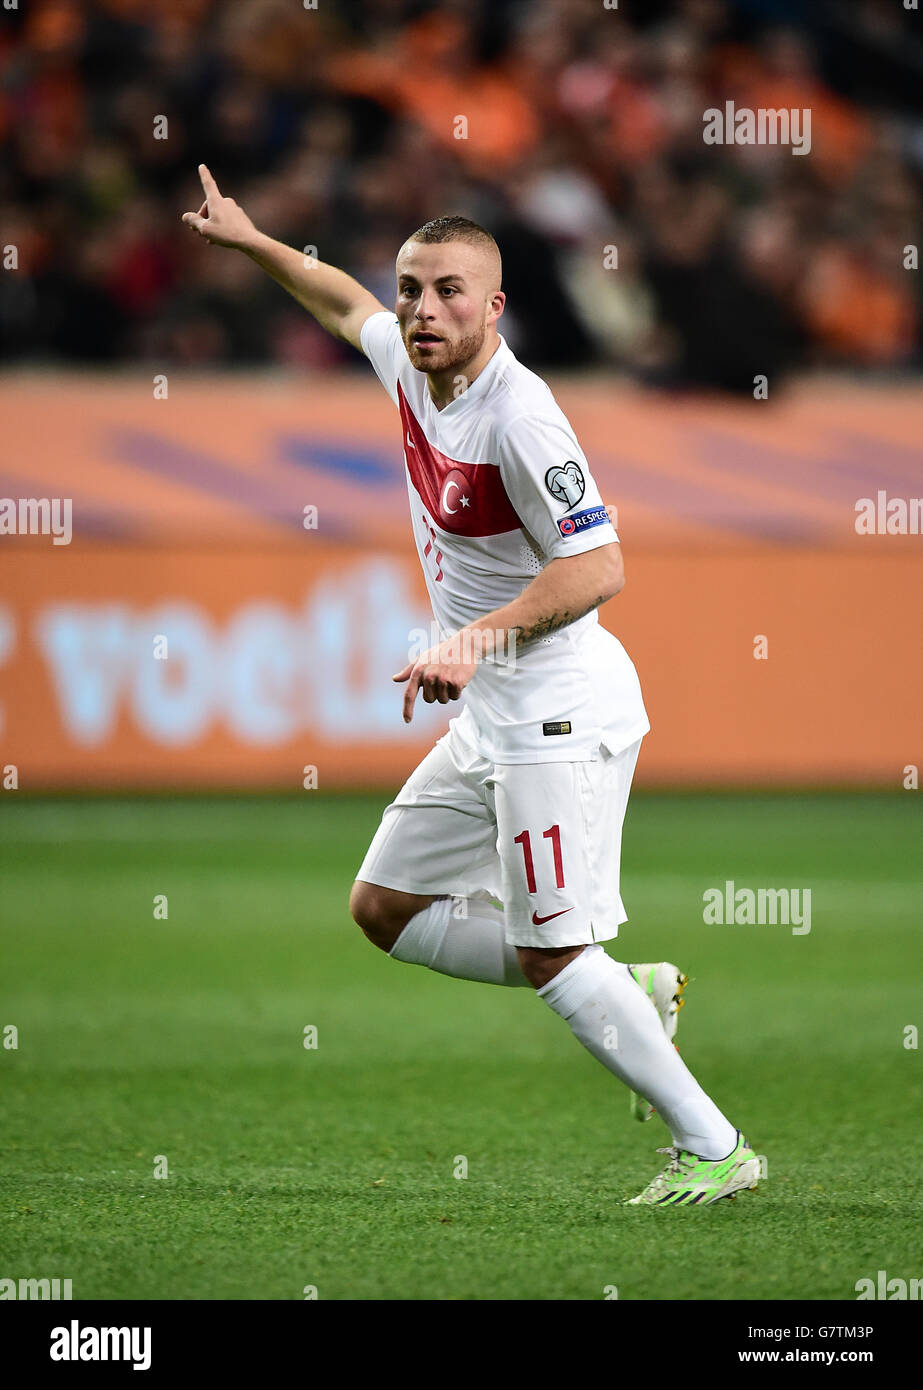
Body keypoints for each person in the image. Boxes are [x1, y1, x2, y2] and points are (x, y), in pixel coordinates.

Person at [183, 165, 760, 1205]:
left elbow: (598, 566)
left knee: (551, 957)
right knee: (384, 907)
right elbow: (338, 300)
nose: (420, 309)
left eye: (448, 291)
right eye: (412, 288)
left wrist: (472, 643)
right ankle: (624, 990)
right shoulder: (409, 366)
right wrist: (253, 240)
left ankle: (714, 1146)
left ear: (494, 306)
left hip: (554, 708)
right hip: (491, 712)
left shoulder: (518, 417)